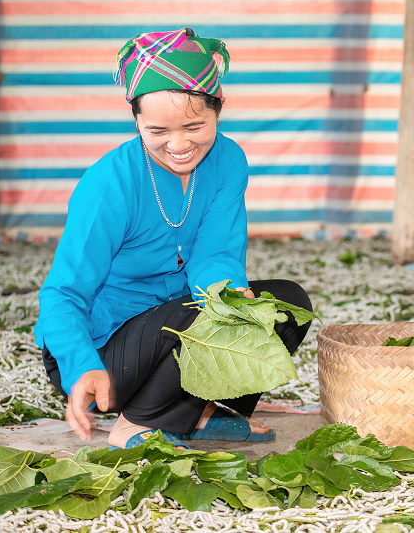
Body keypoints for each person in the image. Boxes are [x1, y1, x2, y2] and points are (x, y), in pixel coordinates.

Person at [33, 28, 313, 449]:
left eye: (195, 126)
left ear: (219, 110)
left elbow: (216, 254)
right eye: (157, 131)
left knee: (287, 304)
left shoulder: (228, 160)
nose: (179, 145)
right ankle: (134, 423)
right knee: (197, 315)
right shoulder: (110, 183)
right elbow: (62, 293)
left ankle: (193, 415)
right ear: (137, 121)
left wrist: (233, 298)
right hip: (102, 352)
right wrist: (80, 367)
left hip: (176, 323)